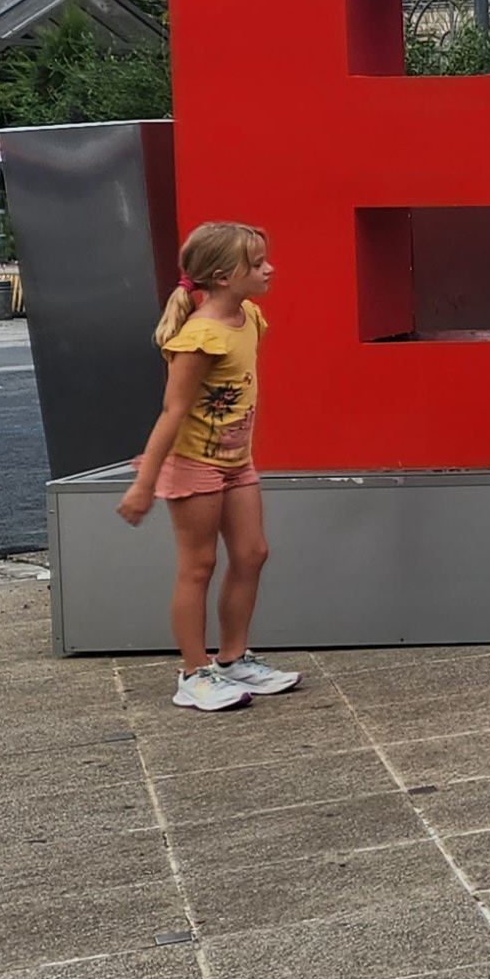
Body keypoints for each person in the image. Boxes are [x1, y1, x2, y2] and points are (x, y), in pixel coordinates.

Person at [116, 222, 299, 712]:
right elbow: (172, 413)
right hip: (193, 465)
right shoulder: (198, 338)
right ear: (222, 276)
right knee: (198, 566)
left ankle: (233, 659)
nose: (269, 269)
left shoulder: (250, 317)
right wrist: (144, 484)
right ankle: (193, 674)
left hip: (237, 462)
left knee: (253, 553)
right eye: (257, 263)